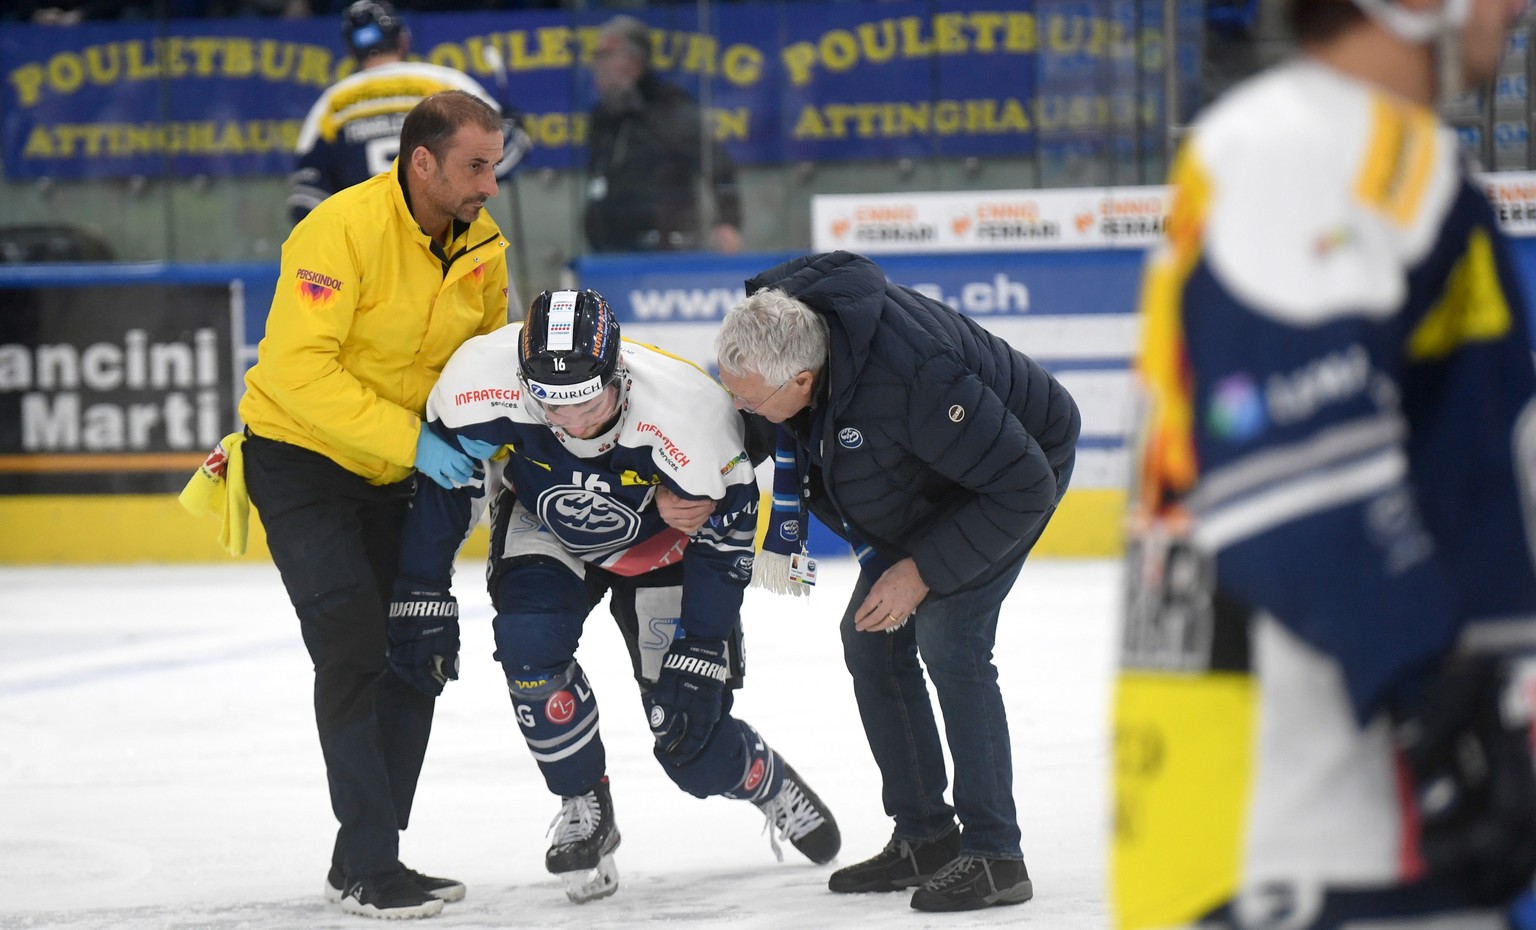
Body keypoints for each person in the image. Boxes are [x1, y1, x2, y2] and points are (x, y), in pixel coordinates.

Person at [1114, 0, 1536, 923]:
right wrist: (1449, 721)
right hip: (1322, 824)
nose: (1512, 9)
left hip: (1304, 822)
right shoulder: (1312, 145)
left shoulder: (1340, 149)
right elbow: (1297, 486)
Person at [389, 288, 840, 904]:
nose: (573, 425)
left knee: (690, 741)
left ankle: (762, 775)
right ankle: (583, 801)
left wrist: (704, 642)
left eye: (588, 404)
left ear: (618, 373)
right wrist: (421, 585)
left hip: (664, 549)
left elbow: (726, 531)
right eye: (551, 406)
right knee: (525, 643)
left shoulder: (692, 413)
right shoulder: (478, 378)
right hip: (548, 522)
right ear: (523, 382)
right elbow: (448, 476)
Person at [710, 251, 1081, 913]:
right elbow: (761, 429)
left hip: (1013, 472)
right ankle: (926, 836)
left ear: (801, 380)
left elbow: (1024, 485)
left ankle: (997, 855)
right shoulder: (788, 326)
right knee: (871, 641)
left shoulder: (915, 379)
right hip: (931, 477)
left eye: (749, 400)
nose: (741, 409)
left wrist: (921, 572)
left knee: (950, 640)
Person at [240, 89, 511, 920]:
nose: (489, 186)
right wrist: (417, 442)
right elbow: (297, 373)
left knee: (418, 648)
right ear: (421, 162)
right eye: (474, 166)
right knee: (354, 643)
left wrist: (497, 444)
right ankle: (369, 865)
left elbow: (489, 360)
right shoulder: (338, 231)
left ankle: (364, 855)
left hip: (399, 475)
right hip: (302, 462)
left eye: (494, 167)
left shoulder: (484, 245)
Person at [287, 0, 530, 225]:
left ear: (351, 51)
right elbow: (509, 150)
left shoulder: (330, 103)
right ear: (403, 40)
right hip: (447, 245)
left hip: (370, 250)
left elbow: (306, 198)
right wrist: (513, 123)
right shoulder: (445, 82)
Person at [582, 14, 743, 254]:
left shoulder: (671, 108)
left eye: (605, 55)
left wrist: (727, 221)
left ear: (634, 63)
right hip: (609, 248)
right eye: (596, 56)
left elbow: (718, 166)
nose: (598, 64)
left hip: (667, 247)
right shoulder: (603, 115)